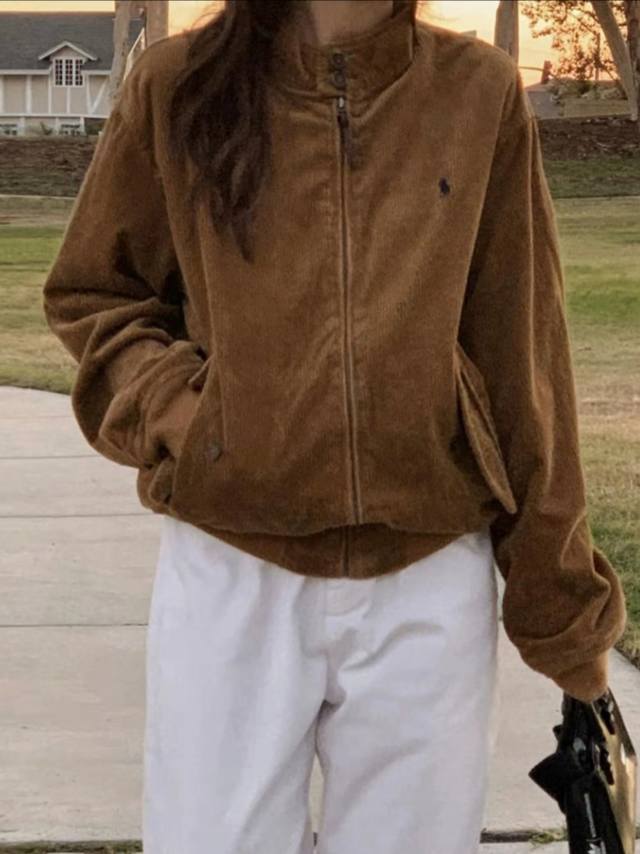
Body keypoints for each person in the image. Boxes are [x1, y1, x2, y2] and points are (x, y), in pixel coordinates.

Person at [42, 1, 628, 852]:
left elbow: (523, 359)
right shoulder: (175, 85)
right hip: (232, 569)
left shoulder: (478, 93)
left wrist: (564, 617)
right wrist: (188, 416)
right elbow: (95, 293)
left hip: (428, 572)